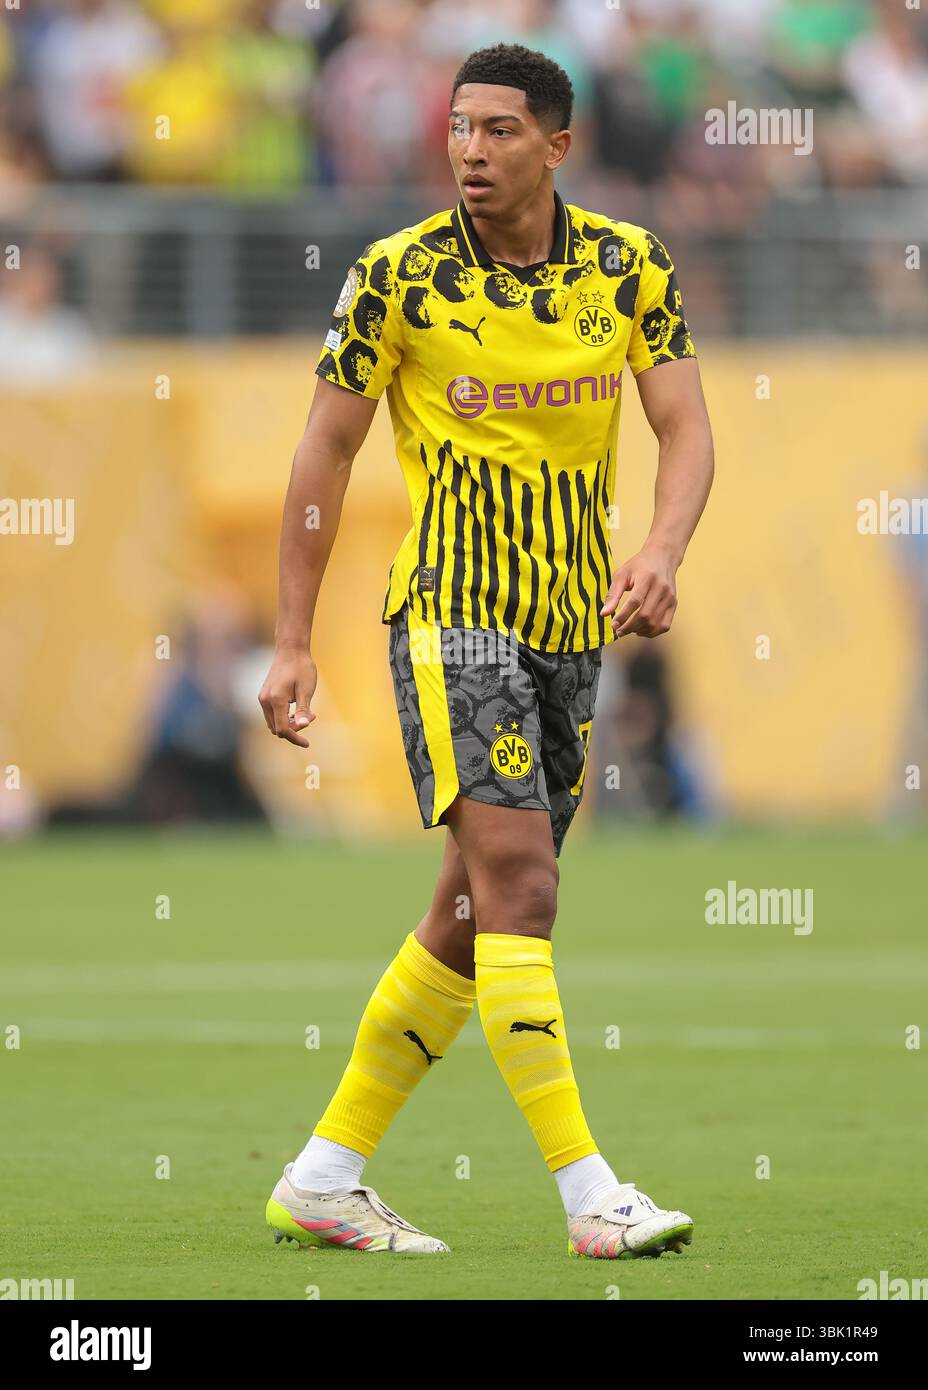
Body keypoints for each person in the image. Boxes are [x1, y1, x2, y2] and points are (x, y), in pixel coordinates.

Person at [259, 42, 714, 1260]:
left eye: (500, 129)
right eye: (459, 126)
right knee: (523, 885)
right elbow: (322, 457)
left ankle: (321, 1173)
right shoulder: (397, 277)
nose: (470, 149)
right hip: (453, 618)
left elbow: (684, 425)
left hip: (575, 628)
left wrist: (661, 548)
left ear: (557, 146)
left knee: (471, 910)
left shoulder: (628, 269)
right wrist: (292, 640)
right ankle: (590, 1195)